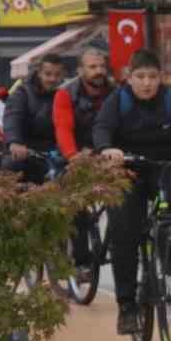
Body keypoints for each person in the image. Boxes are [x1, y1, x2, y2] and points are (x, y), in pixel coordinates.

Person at [95, 49, 171, 336]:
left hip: (163, 170)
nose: (147, 83)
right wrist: (107, 148)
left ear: (160, 77)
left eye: (152, 76)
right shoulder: (118, 101)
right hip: (127, 171)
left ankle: (168, 248)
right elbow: (102, 128)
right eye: (140, 77)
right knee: (124, 233)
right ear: (129, 78)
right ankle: (127, 305)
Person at [54, 45, 117, 283]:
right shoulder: (65, 94)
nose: (99, 71)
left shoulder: (115, 91)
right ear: (80, 70)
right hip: (75, 156)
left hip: (108, 155)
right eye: (92, 67)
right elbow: (63, 128)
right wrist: (73, 157)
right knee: (76, 204)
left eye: (102, 66)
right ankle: (80, 261)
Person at [2, 54, 66, 183]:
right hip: (26, 150)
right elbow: (13, 118)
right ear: (39, 73)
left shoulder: (64, 94)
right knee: (12, 166)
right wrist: (14, 141)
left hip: (54, 153)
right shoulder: (22, 93)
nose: (53, 79)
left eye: (57, 75)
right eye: (48, 74)